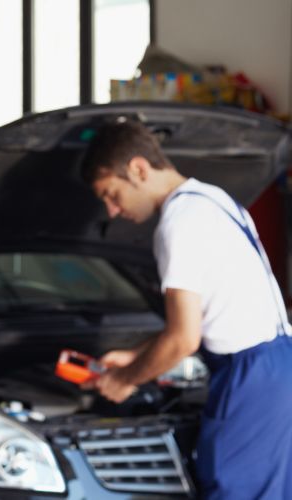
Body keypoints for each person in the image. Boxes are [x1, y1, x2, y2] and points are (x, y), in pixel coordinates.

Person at [80, 121, 292, 499]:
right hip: (276, 365)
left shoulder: (178, 224)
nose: (112, 211)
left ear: (139, 170)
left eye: (112, 194)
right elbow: (206, 316)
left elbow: (183, 338)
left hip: (248, 376)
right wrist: (136, 353)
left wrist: (127, 377)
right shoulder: (213, 199)